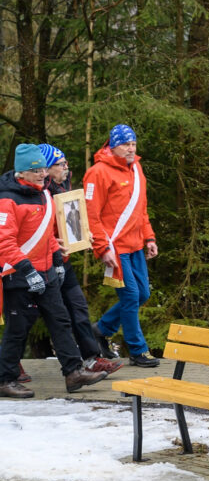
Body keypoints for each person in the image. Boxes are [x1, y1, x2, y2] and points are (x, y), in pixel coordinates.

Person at [0, 144, 109, 398]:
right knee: (18, 329)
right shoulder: (7, 200)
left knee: (60, 321)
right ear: (22, 172)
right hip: (18, 275)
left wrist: (58, 263)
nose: (42, 174)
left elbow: (48, 234)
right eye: (36, 170)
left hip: (46, 271)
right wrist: (27, 271)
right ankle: (5, 379)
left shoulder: (45, 194)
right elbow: (4, 243)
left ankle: (73, 372)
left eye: (43, 169)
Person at [38, 144, 123, 377]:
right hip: (40, 264)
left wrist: (80, 234)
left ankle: (92, 358)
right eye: (60, 164)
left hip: (62, 260)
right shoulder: (39, 193)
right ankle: (10, 366)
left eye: (66, 163)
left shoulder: (63, 185)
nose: (66, 168)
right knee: (28, 319)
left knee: (79, 308)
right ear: (46, 168)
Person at [83, 124, 160, 367]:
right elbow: (91, 215)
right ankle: (138, 350)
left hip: (136, 244)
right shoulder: (98, 172)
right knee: (130, 296)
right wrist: (102, 248)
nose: (130, 148)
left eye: (133, 144)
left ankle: (102, 328)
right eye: (125, 144)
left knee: (143, 294)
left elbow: (141, 209)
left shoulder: (136, 168)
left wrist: (149, 237)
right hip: (115, 247)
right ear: (113, 145)